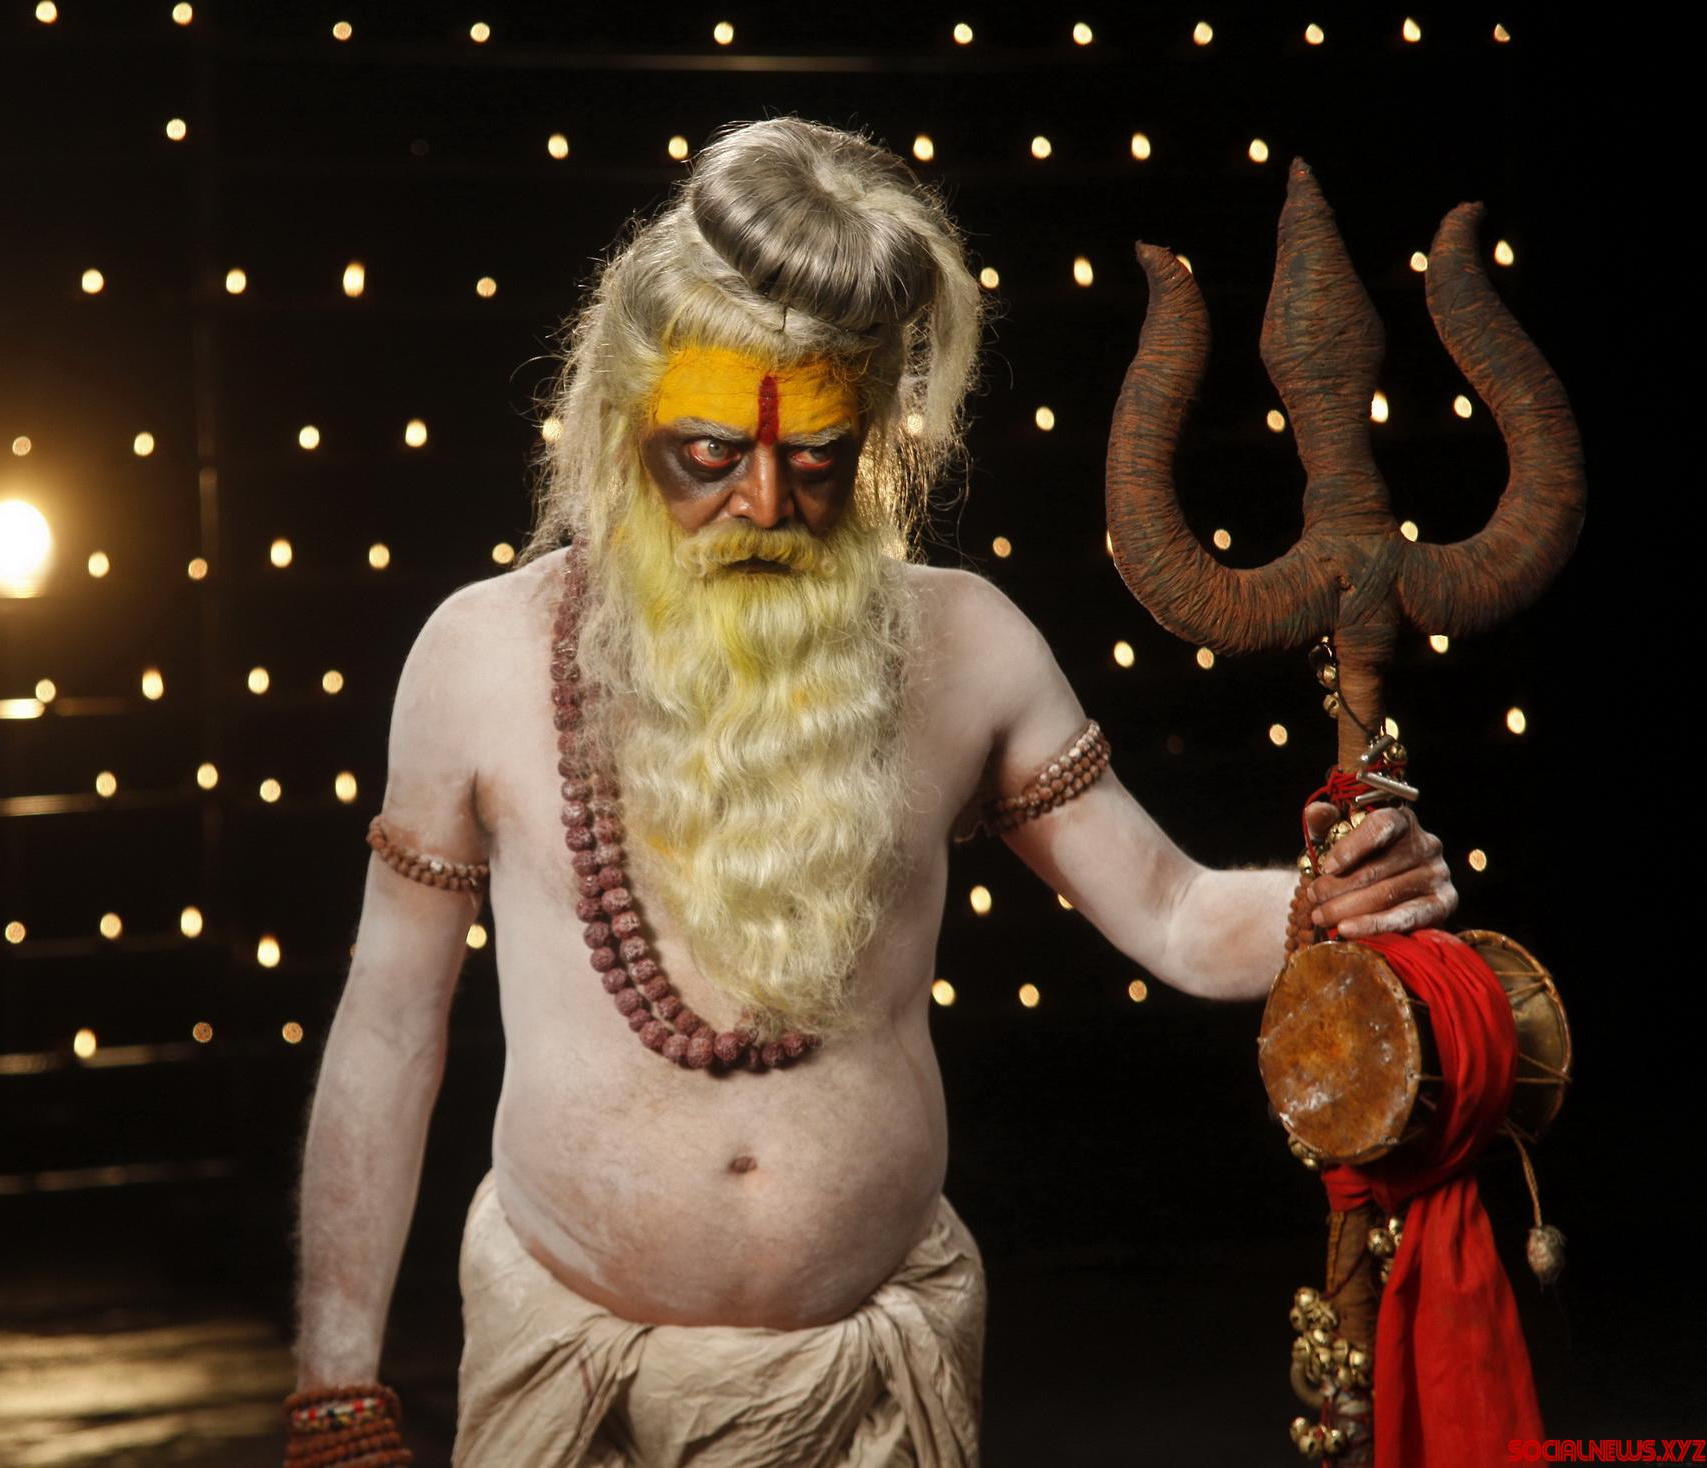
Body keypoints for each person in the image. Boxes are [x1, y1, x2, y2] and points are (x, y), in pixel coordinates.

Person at [281, 116, 1456, 1467]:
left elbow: (1178, 918)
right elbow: (388, 1026)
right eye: (708, 453)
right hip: (571, 1366)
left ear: (871, 443)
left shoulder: (966, 643)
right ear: (623, 420)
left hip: (880, 1372)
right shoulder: (478, 654)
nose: (765, 502)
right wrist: (335, 1383)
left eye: (815, 458)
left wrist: (1323, 902)